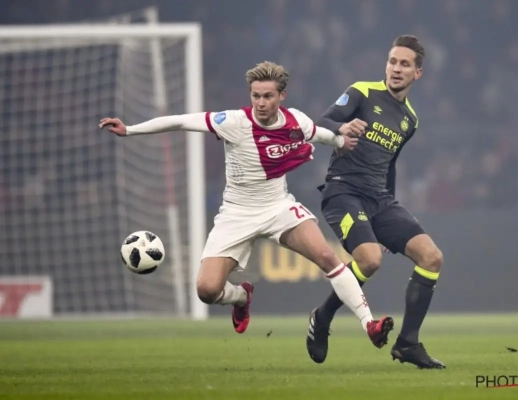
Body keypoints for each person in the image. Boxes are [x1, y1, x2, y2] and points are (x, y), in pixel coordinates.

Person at [99, 61, 393, 348]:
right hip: (236, 214)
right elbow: (180, 121)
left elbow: (319, 134)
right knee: (206, 290)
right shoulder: (234, 122)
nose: (261, 103)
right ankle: (241, 297)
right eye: (256, 96)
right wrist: (130, 130)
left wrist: (341, 142)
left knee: (328, 257)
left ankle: (369, 324)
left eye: (267, 96)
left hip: (278, 207)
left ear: (281, 95)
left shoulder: (296, 121)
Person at [305, 36, 446, 369]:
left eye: (404, 64)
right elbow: (319, 124)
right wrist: (341, 127)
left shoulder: (410, 120)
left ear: (417, 73)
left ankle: (408, 344)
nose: (396, 69)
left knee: (432, 257)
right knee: (369, 260)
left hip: (379, 199)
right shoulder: (362, 92)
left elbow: (390, 164)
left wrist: (387, 215)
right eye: (392, 61)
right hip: (343, 191)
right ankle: (322, 318)